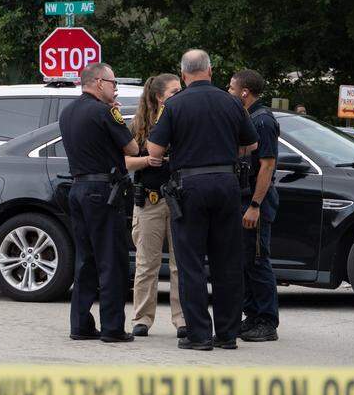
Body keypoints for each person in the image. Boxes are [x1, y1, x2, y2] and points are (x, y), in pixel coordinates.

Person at [148, 49, 258, 351]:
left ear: (183, 75)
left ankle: (199, 335)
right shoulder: (232, 102)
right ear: (210, 70)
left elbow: (155, 151)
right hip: (226, 184)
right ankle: (226, 334)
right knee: (227, 262)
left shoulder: (174, 105)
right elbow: (252, 143)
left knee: (191, 263)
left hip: (189, 187)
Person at [59, 62, 140, 343]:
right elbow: (132, 148)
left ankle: (80, 324)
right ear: (97, 82)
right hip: (103, 192)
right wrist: (117, 114)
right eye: (112, 83)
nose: (114, 88)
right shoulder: (106, 112)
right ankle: (113, 328)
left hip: (79, 189)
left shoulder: (67, 112)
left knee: (86, 260)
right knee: (112, 261)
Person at [126, 74, 187, 339]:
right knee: (146, 264)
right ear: (158, 96)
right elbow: (125, 161)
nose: (180, 94)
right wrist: (147, 161)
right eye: (174, 91)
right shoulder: (138, 125)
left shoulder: (183, 118)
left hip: (179, 199)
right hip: (149, 200)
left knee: (180, 264)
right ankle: (141, 319)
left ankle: (182, 319)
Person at [228, 69, 280, 342]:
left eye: (231, 88)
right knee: (246, 261)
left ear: (244, 92)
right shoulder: (249, 118)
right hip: (245, 199)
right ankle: (253, 315)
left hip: (255, 202)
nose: (229, 92)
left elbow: (267, 165)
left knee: (258, 262)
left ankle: (267, 321)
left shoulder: (262, 121)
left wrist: (255, 205)